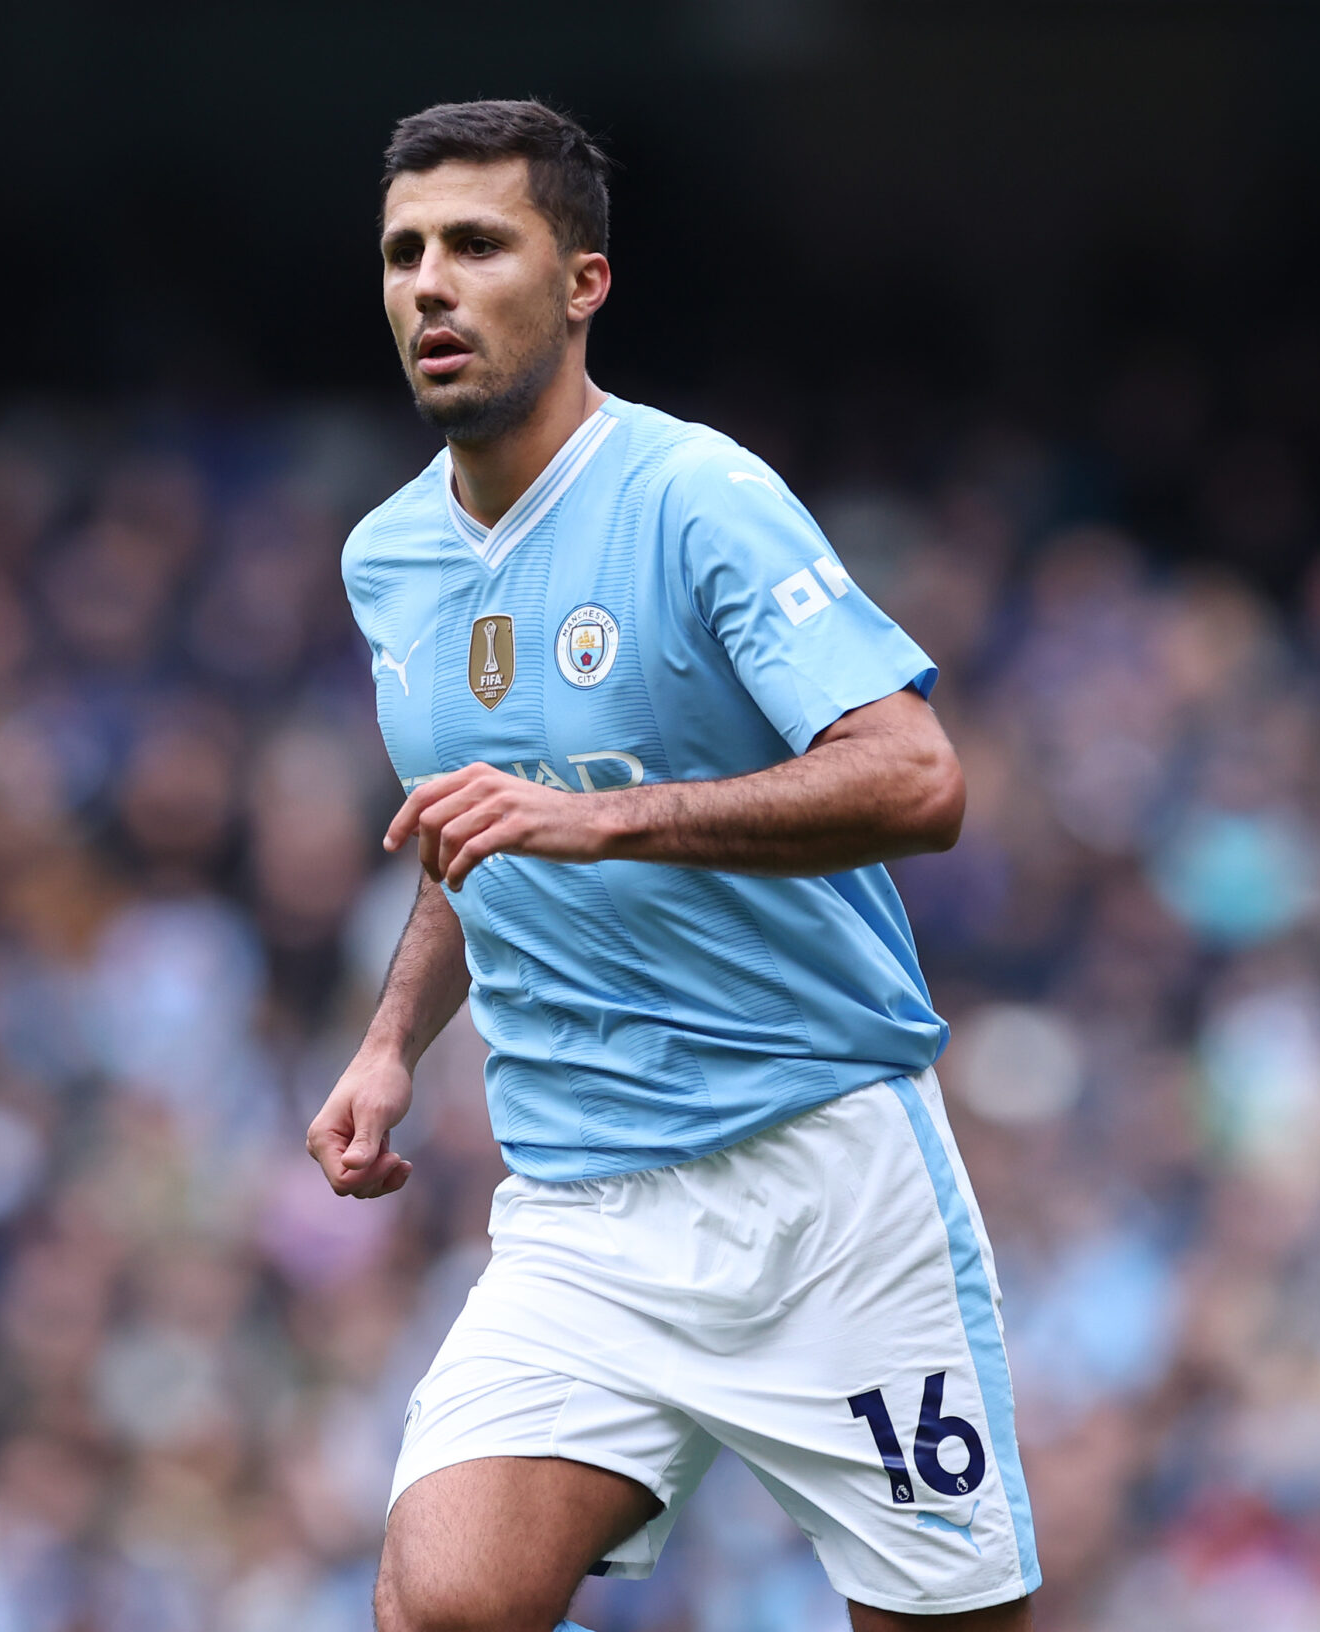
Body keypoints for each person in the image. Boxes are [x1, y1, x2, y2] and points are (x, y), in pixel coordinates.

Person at [310, 99, 1039, 1632]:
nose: (430, 285)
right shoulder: (389, 560)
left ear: (583, 282)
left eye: (478, 245)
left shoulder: (694, 494)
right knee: (443, 1604)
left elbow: (920, 776)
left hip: (819, 1182)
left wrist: (604, 818)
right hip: (582, 1206)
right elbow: (479, 829)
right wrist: (389, 1043)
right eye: (404, 253)